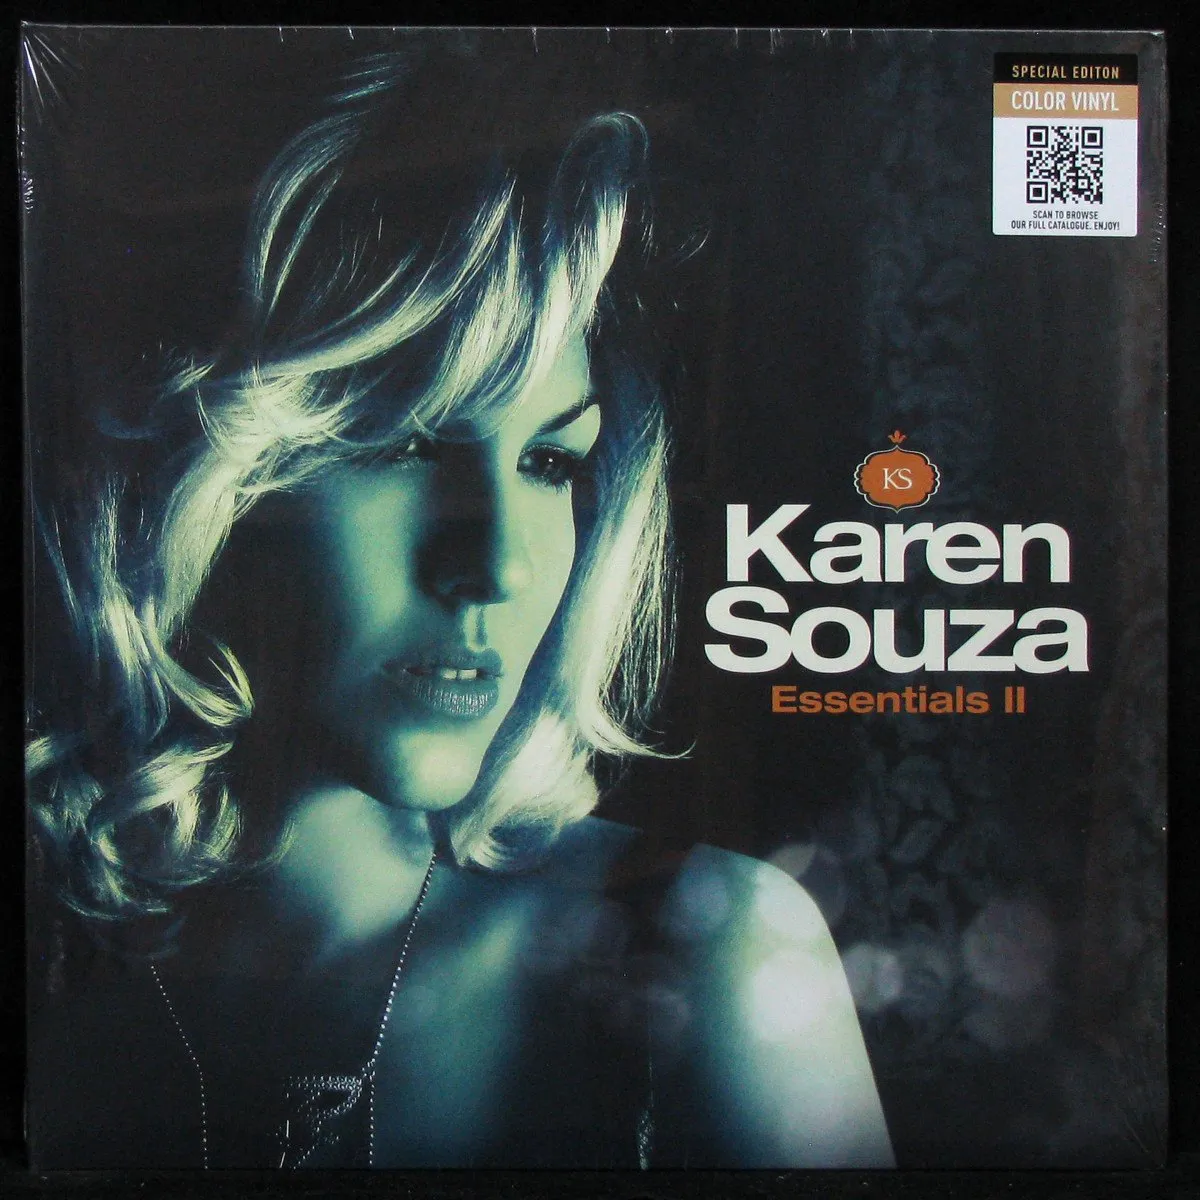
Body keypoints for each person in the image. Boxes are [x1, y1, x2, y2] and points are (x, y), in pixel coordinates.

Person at [25, 46, 893, 1169]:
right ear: (203, 473)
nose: (499, 569)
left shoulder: (705, 954)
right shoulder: (60, 991)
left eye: (548, 463)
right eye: (402, 443)